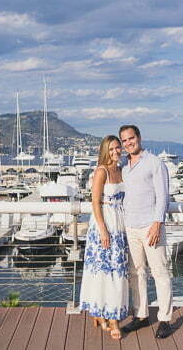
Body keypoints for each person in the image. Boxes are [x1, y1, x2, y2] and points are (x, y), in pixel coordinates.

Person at [119, 124, 173, 339]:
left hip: (151, 227)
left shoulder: (154, 163)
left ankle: (165, 319)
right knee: (136, 273)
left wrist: (157, 223)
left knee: (160, 273)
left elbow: (163, 196)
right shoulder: (124, 166)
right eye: (124, 140)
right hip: (130, 227)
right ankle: (141, 315)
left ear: (139, 138)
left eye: (131, 138)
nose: (128, 143)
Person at [78, 135, 129, 340]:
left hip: (120, 223)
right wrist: (102, 230)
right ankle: (103, 314)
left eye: (118, 148)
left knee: (118, 271)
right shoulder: (102, 171)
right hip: (104, 224)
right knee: (101, 271)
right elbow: (95, 202)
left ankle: (111, 315)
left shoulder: (122, 169)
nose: (116, 152)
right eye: (111, 149)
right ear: (104, 151)